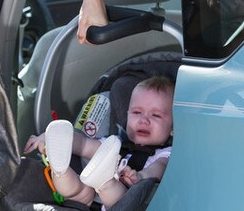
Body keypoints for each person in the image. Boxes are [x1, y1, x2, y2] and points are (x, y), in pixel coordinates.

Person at [23, 76, 174, 209]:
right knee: (78, 190)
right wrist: (52, 139)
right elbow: (84, 145)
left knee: (119, 195)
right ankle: (60, 170)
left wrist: (140, 177)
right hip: (88, 200)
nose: (144, 120)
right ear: (127, 115)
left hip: (127, 204)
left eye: (156, 115)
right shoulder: (116, 143)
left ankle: (104, 181)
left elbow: (158, 169)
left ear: (174, 127)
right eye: (137, 112)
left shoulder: (166, 154)